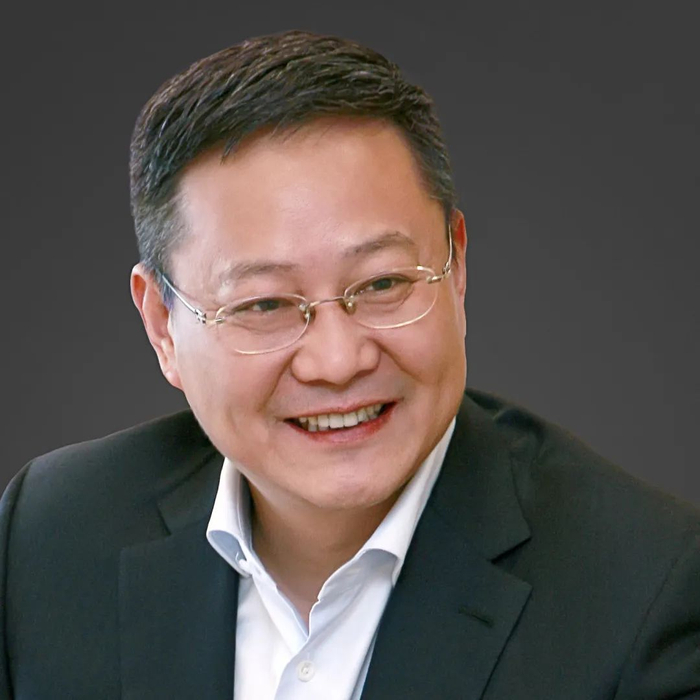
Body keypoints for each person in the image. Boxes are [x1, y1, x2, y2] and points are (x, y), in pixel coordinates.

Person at [1, 29, 698, 700]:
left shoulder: (649, 593)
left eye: (383, 284)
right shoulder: (49, 537)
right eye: (265, 304)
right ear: (162, 325)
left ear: (456, 269)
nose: (337, 362)